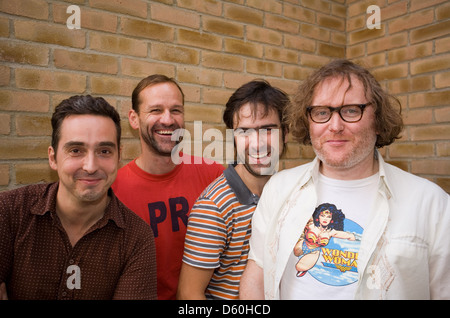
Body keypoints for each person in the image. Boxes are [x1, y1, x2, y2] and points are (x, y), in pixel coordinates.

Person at [240, 59, 450, 300]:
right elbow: (257, 271)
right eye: (321, 112)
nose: (335, 126)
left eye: (351, 110)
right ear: (308, 121)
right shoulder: (278, 188)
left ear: (378, 121)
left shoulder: (433, 204)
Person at [0, 95, 157, 300]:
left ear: (119, 157)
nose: (90, 166)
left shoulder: (137, 238)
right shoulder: (9, 212)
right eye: (76, 150)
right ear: (52, 157)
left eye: (104, 151)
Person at [111, 75, 224, 300]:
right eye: (155, 110)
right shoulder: (113, 190)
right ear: (134, 119)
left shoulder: (214, 175)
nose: (168, 120)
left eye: (176, 110)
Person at [177, 80, 289, 300]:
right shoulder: (214, 207)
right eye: (245, 131)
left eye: (268, 129)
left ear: (285, 133)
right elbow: (189, 294)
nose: (257, 143)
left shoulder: (286, 191)